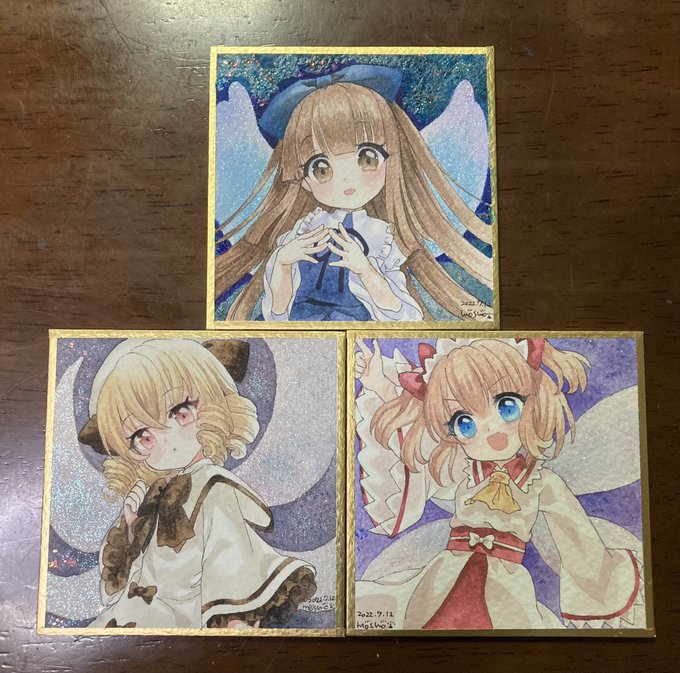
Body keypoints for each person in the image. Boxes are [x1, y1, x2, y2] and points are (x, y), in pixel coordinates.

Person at [354, 337, 643, 629]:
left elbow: (576, 535)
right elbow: (417, 433)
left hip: (504, 587)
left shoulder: (542, 482)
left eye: (507, 407)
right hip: (444, 577)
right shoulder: (464, 471)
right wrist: (380, 384)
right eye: (465, 423)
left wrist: (600, 588)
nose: (491, 429)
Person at [214, 64, 493, 322]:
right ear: (304, 180)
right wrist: (283, 263)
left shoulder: (381, 236)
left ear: (391, 161)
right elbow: (277, 315)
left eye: (367, 158)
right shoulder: (303, 230)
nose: (347, 178)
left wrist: (365, 269)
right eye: (321, 168)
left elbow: (404, 315)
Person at [78, 339, 316, 629]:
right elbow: (118, 584)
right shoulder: (151, 496)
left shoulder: (214, 487)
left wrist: (232, 623)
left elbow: (231, 560)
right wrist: (131, 529)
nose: (168, 438)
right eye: (144, 436)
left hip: (183, 624)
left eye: (181, 412)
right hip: (129, 621)